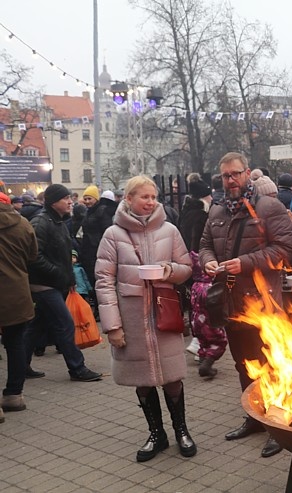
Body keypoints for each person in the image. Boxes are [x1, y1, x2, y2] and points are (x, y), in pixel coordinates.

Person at [200, 151, 292, 458]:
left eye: (235, 174)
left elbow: (283, 250)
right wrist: (210, 261)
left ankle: (279, 424)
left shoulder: (269, 207)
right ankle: (255, 416)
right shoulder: (216, 210)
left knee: (272, 365)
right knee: (243, 365)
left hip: (264, 303)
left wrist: (244, 263)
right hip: (232, 304)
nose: (230, 181)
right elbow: (203, 245)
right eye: (225, 176)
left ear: (247, 173)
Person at [96, 175, 196, 462]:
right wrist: (112, 326)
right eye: (144, 197)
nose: (151, 202)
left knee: (173, 378)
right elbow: (103, 282)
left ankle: (181, 430)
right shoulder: (113, 235)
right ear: (128, 199)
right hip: (131, 319)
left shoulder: (170, 230)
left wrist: (168, 270)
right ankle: (156, 433)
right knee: (142, 380)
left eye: (153, 197)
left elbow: (186, 268)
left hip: (164, 315)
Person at [25, 184, 103, 382]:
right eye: (65, 198)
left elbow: (64, 253)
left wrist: (68, 279)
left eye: (70, 197)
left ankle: (20, 365)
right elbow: (34, 257)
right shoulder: (40, 222)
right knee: (65, 324)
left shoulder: (58, 221)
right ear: (53, 202)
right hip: (43, 285)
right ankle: (77, 369)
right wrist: (59, 274)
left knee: (37, 326)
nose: (70, 201)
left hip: (55, 283)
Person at [179, 173, 227, 379]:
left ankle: (200, 348)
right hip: (205, 274)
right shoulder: (202, 216)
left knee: (198, 317)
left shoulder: (185, 212)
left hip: (194, 279)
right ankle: (206, 355)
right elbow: (204, 244)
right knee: (213, 320)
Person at [0, 192, 38, 421]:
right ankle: (14, 395)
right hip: (16, 292)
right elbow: (32, 255)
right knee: (15, 344)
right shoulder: (23, 224)